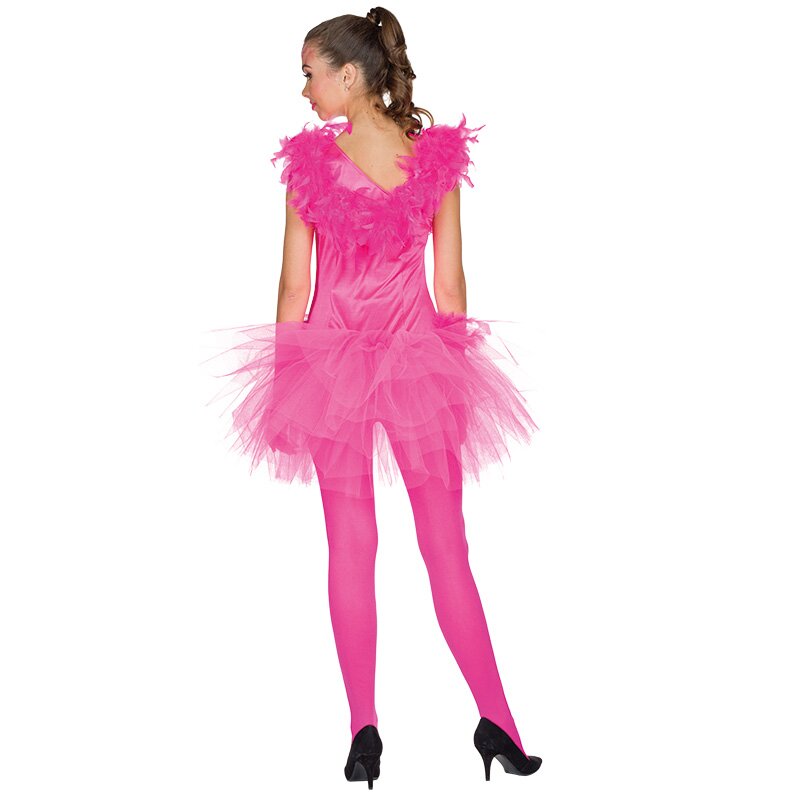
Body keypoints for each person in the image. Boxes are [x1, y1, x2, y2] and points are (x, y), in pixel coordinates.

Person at [203, 6, 542, 788]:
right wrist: (457, 382)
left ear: (348, 74)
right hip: (421, 361)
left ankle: (364, 731)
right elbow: (450, 287)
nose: (305, 90)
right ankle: (498, 720)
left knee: (350, 547)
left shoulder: (311, 167)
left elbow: (294, 288)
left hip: (331, 367)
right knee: (447, 547)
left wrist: (286, 387)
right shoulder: (433, 160)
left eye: (310, 73)